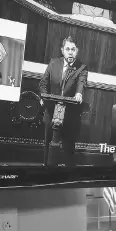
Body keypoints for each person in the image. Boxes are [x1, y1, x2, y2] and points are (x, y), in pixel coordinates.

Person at [39, 36, 88, 166]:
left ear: (77, 51)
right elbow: (43, 83)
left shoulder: (82, 68)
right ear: (62, 50)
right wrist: (43, 96)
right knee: (48, 148)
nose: (70, 52)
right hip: (51, 111)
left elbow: (81, 83)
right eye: (67, 49)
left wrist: (79, 94)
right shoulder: (53, 63)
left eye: (73, 49)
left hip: (69, 115)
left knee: (68, 151)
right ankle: (45, 172)